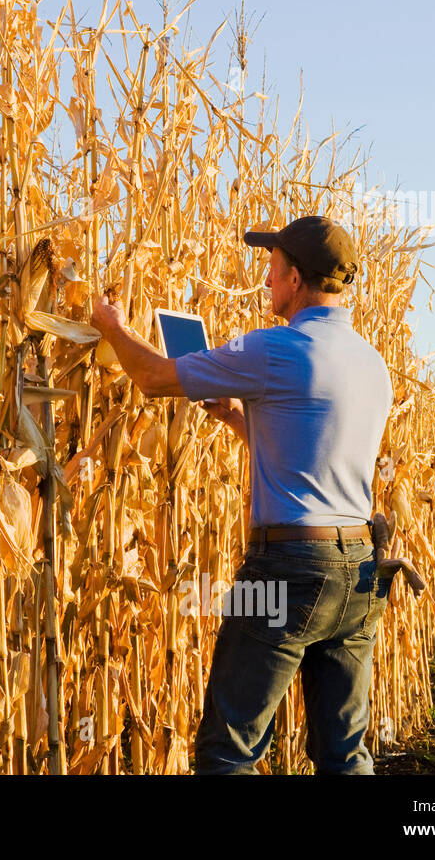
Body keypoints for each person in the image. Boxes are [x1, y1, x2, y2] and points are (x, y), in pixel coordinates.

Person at [88, 214, 393, 774]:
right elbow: (318, 448)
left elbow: (155, 377)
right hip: (358, 570)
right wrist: (237, 419)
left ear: (297, 278)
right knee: (345, 753)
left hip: (289, 569)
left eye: (274, 269)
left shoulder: (277, 349)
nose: (267, 280)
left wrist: (109, 324)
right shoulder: (372, 364)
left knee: (229, 752)